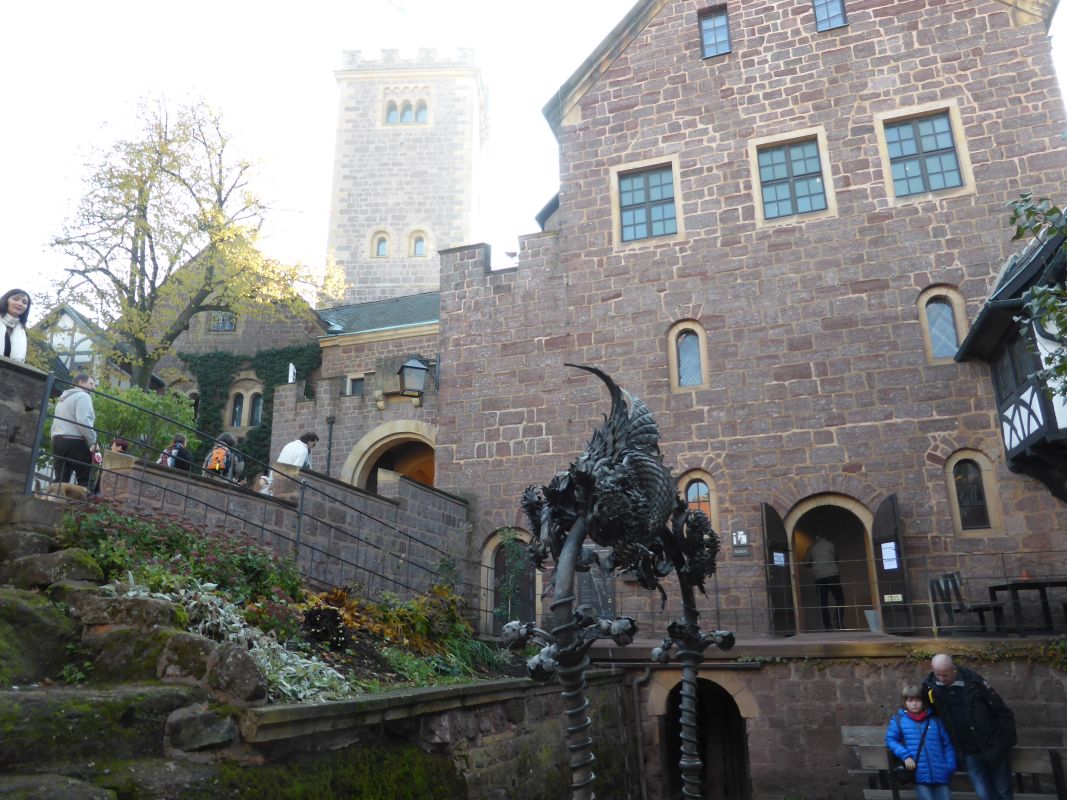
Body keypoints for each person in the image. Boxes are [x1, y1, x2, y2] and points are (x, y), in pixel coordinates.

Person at [923, 654, 1016, 800]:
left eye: (945, 674)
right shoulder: (930, 688)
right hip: (967, 752)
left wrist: (1002, 744)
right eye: (938, 674)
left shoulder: (974, 682)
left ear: (953, 668)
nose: (941, 678)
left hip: (992, 746)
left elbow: (1002, 712)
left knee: (1003, 792)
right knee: (984, 794)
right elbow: (930, 716)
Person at [886, 684, 956, 800]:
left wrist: (950, 766)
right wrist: (905, 756)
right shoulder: (899, 720)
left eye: (918, 700)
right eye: (910, 700)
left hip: (941, 772)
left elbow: (947, 744)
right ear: (904, 702)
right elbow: (890, 740)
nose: (914, 704)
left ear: (923, 701)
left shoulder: (935, 720)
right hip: (919, 773)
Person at [51, 374, 98, 488]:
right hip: (76, 441)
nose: (94, 387)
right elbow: (82, 420)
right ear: (80, 382)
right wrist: (93, 441)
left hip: (58, 441)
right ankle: (85, 499)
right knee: (85, 478)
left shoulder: (62, 400)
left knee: (60, 482)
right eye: (91, 383)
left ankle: (55, 499)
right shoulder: (83, 396)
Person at [802, 533, 845, 630]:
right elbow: (836, 558)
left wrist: (814, 563)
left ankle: (828, 626)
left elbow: (805, 562)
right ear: (825, 536)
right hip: (833, 575)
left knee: (823, 603)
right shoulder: (831, 544)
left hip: (820, 578)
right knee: (840, 599)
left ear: (817, 537)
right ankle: (838, 622)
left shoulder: (812, 547)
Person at [1, 288, 31, 362]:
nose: (20, 304)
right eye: (15, 299)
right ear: (6, 300)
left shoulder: (22, 332)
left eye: (24, 302)